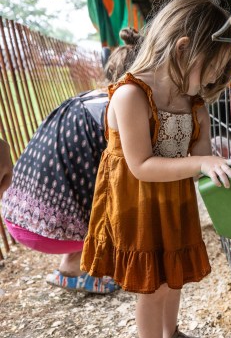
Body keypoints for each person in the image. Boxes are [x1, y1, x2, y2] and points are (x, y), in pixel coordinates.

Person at [79, 0, 231, 338]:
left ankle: (169, 336)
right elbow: (141, 165)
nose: (213, 80)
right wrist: (200, 163)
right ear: (184, 48)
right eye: (213, 67)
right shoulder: (131, 94)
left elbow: (202, 162)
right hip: (138, 205)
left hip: (174, 202)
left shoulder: (195, 105)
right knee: (153, 286)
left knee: (173, 278)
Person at [1, 28, 141, 294]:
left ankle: (71, 265)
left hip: (15, 217)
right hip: (49, 233)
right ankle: (88, 267)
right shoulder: (119, 110)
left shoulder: (89, 99)